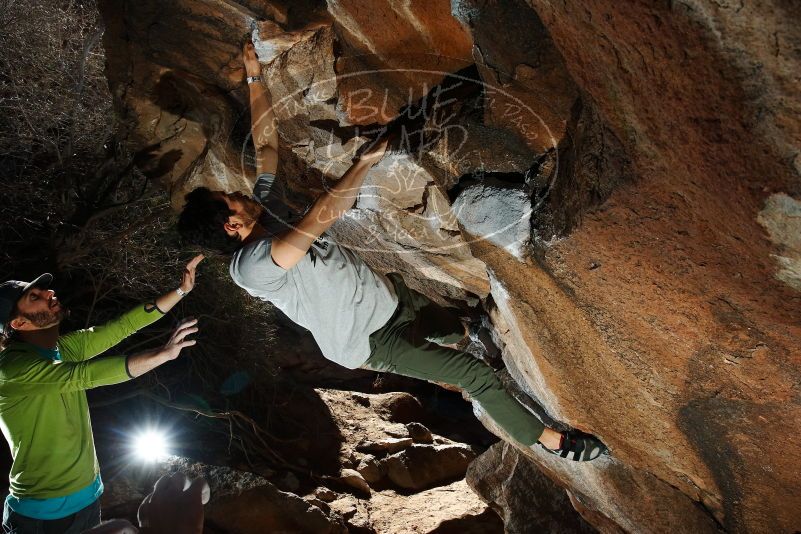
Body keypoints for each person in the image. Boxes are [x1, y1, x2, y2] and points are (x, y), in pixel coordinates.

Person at [178, 42, 605, 462]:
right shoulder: (248, 268)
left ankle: (467, 338)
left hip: (391, 297)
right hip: (369, 340)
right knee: (476, 377)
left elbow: (266, 146)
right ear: (232, 226)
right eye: (230, 198)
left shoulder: (264, 213)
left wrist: (255, 75)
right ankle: (553, 442)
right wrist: (364, 162)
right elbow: (324, 214)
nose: (238, 190)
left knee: (455, 328)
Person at [0, 255, 204, 533]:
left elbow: (121, 327)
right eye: (34, 297)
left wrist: (181, 290)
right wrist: (162, 354)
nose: (49, 293)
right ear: (19, 324)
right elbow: (85, 375)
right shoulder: (11, 368)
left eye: (43, 289)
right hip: (41, 516)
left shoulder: (63, 348)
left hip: (89, 499)